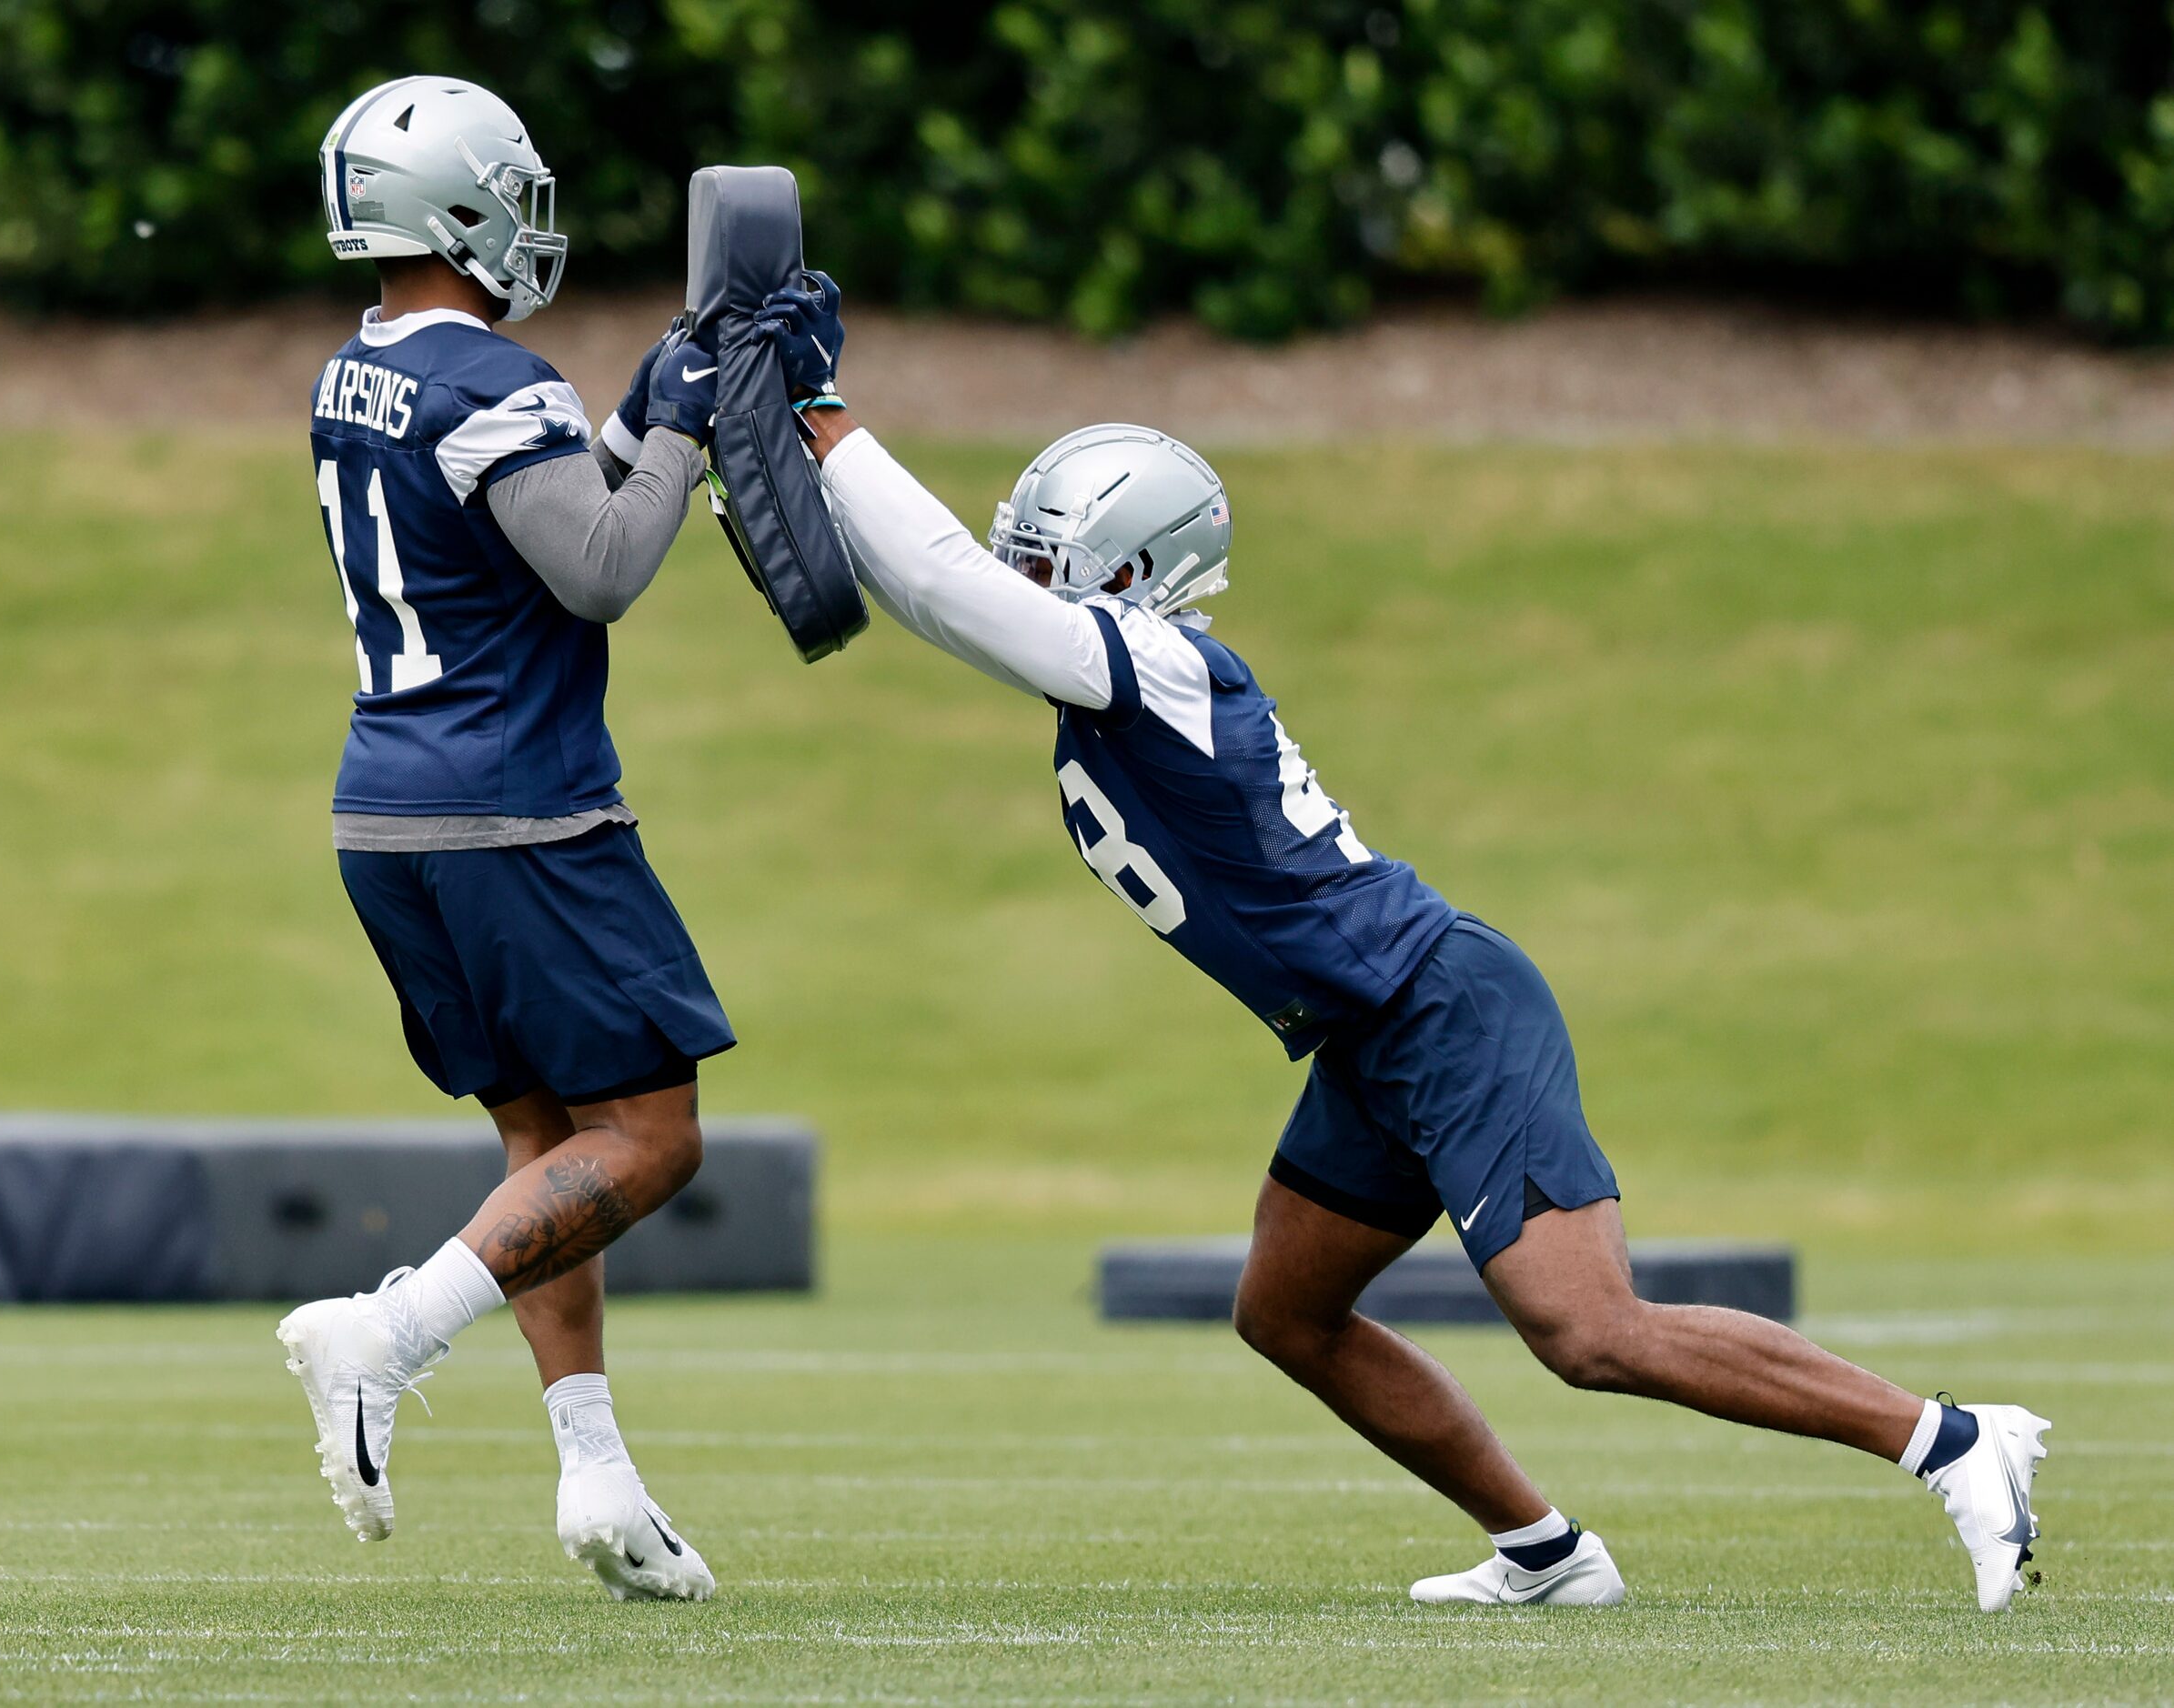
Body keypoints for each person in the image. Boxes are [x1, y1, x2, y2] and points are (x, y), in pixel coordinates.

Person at [755, 275, 2051, 1612]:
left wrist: (829, 414)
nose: (1014, 569)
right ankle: (1548, 1553)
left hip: (1441, 1005)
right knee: (1287, 1312)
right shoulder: (1111, 681)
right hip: (1366, 1034)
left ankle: (1952, 1439)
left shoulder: (1166, 667)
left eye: (1041, 551)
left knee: (1590, 1330)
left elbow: (945, 585)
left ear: (1127, 571)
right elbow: (930, 595)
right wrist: (788, 436)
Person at [282, 75, 731, 1602]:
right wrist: (680, 432)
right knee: (651, 1136)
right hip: (518, 812)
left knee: (545, 1143)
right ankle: (387, 1332)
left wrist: (640, 410)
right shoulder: (494, 377)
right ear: (460, 207)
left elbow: (519, 512)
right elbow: (598, 567)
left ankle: (598, 1476)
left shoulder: (362, 367)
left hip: (388, 815)